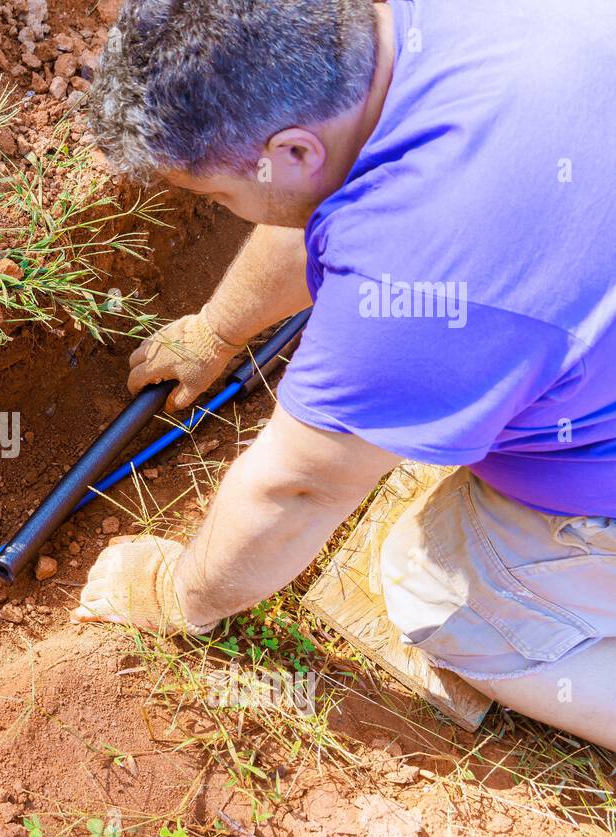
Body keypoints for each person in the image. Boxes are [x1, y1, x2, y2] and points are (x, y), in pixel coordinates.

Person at [72, 0, 616, 749]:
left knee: (434, 589)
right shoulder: (421, 34)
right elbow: (328, 194)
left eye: (218, 196)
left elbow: (296, 489)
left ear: (292, 151)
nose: (229, 211)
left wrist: (181, 593)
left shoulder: (423, 278)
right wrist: (217, 329)